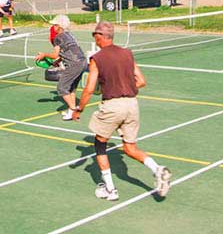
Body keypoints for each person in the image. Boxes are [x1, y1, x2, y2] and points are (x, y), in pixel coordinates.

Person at [74, 21, 172, 201]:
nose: (94, 38)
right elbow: (141, 81)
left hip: (113, 105)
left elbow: (89, 89)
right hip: (132, 105)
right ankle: (158, 169)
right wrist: (123, 85)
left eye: (94, 35)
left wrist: (79, 108)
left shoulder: (97, 58)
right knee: (129, 148)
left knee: (100, 145)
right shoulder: (127, 54)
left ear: (100, 36)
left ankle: (110, 190)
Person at [35, 14, 87, 120]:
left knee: (62, 87)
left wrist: (44, 55)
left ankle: (73, 110)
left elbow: (55, 55)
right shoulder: (69, 35)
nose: (53, 27)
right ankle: (72, 108)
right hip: (83, 61)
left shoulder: (58, 38)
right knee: (71, 87)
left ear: (59, 26)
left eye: (54, 25)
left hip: (74, 64)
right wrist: (58, 61)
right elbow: (68, 51)